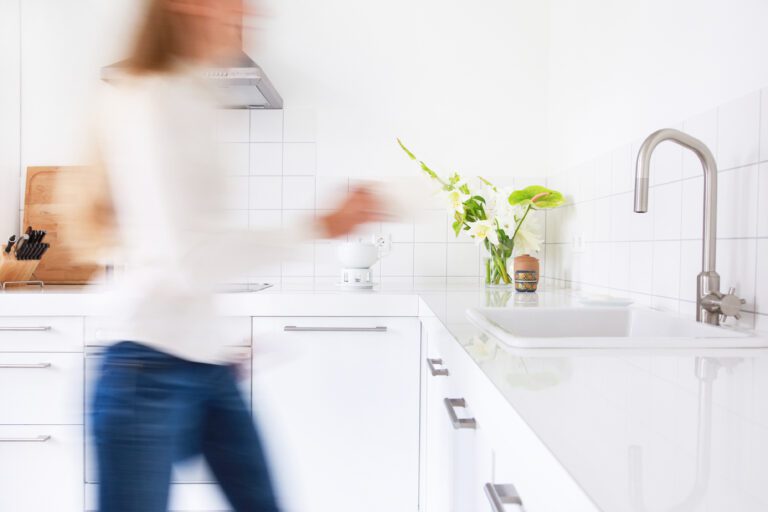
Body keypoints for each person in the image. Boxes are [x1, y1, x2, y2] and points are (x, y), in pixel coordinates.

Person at [65, 0, 383, 510]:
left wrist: (211, 334)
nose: (251, 9)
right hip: (144, 373)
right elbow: (190, 259)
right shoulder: (151, 99)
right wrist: (322, 226)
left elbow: (185, 254)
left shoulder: (192, 97)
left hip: (200, 363)